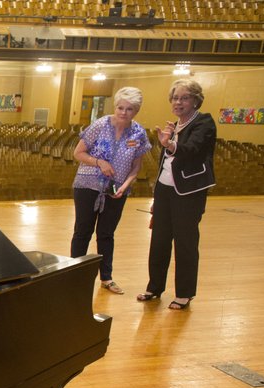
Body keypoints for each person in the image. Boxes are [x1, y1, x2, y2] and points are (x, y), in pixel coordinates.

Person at [137, 79, 217, 310]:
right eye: (175, 98)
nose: (178, 102)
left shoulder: (204, 123)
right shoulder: (174, 125)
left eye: (184, 98)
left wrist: (170, 145)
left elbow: (192, 150)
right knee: (159, 240)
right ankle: (154, 287)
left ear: (195, 100)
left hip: (189, 192)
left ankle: (184, 293)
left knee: (185, 242)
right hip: (164, 189)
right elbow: (167, 163)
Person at [71, 87, 151, 295]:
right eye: (120, 107)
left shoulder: (138, 133)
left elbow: (136, 166)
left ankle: (106, 278)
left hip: (117, 186)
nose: (123, 112)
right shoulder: (100, 124)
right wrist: (99, 163)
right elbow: (78, 153)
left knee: (106, 234)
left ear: (136, 111)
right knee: (83, 231)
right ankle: (73, 275)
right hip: (88, 184)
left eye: (129, 109)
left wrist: (125, 185)